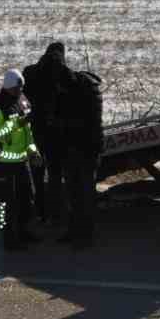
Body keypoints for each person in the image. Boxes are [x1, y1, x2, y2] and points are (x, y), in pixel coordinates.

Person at [0, 68, 39, 250]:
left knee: (26, 198)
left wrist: (33, 150)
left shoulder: (22, 100)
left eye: (21, 88)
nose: (19, 91)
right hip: (1, 163)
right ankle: (8, 239)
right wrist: (14, 124)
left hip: (21, 160)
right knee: (5, 204)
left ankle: (23, 231)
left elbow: (27, 132)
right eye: (16, 88)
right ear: (8, 86)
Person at [55, 67, 104, 247]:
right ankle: (78, 231)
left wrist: (62, 121)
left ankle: (84, 234)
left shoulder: (85, 95)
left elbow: (86, 124)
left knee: (82, 194)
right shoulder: (83, 91)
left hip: (84, 149)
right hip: (79, 149)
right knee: (78, 193)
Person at [22, 41, 68, 226]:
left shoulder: (30, 72)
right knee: (56, 174)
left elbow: (24, 96)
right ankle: (56, 214)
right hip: (55, 132)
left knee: (37, 174)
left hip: (35, 130)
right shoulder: (62, 73)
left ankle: (40, 212)